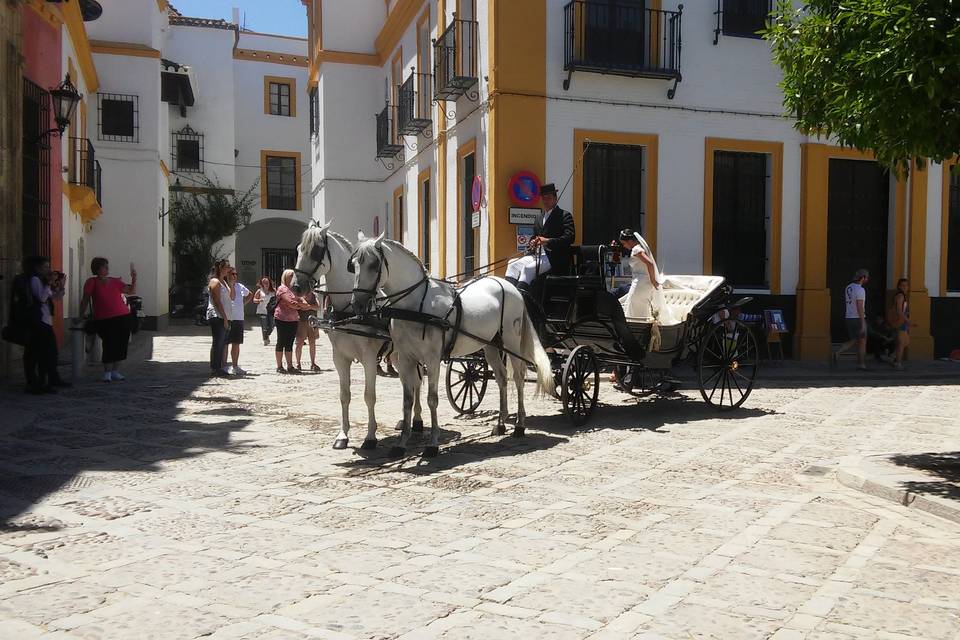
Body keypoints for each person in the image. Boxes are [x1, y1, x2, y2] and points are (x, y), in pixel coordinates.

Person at [505, 183, 575, 286]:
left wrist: (547, 241)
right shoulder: (539, 218)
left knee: (527, 269)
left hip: (553, 257)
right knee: (512, 264)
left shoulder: (564, 215)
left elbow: (570, 238)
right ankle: (509, 295)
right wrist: (532, 242)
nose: (546, 201)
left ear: (555, 199)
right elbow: (534, 237)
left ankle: (523, 297)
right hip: (536, 255)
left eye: (549, 198)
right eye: (544, 198)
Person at [79, 257, 136, 382]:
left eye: (107, 266)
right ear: (97, 268)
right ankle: (107, 372)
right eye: (105, 266)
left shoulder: (115, 281)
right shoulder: (91, 282)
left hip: (123, 316)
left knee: (121, 343)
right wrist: (80, 315)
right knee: (109, 343)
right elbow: (85, 299)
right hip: (104, 318)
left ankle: (115, 371)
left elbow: (131, 291)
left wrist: (134, 278)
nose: (107, 269)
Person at [21, 256, 68, 393]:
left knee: (51, 353)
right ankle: (40, 383)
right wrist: (49, 283)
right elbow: (41, 298)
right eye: (45, 267)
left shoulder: (43, 280)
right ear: (37, 268)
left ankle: (51, 379)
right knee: (42, 353)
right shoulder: (35, 280)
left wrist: (61, 286)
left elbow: (55, 298)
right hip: (38, 322)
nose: (48, 269)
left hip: (46, 321)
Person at [274, 268, 309, 374]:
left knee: (289, 343)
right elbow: (290, 302)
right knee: (281, 341)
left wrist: (299, 304)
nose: (292, 277)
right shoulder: (282, 288)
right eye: (290, 275)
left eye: (293, 276)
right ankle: (279, 366)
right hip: (281, 318)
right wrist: (299, 305)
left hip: (293, 319)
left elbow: (305, 303)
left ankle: (290, 366)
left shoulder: (295, 289)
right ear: (285, 277)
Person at [834, 268, 869, 371]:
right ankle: (861, 364)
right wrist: (863, 323)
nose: (867, 279)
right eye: (866, 277)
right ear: (862, 278)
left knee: (855, 340)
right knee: (862, 342)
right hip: (858, 318)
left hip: (849, 317)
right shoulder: (860, 290)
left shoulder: (848, 287)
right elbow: (860, 307)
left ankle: (838, 352)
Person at [206, 259, 232, 377]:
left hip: (224, 315)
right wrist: (225, 318)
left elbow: (230, 297)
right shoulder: (215, 282)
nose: (229, 269)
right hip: (217, 315)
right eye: (227, 267)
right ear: (220, 268)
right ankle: (215, 367)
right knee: (218, 342)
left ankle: (219, 366)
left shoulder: (224, 282)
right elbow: (217, 301)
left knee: (222, 342)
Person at [225, 267, 253, 375]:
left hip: (239, 318)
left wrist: (243, 304)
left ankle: (235, 366)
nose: (234, 276)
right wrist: (231, 285)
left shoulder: (240, 286)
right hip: (228, 317)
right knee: (225, 343)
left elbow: (250, 294)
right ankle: (224, 366)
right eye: (232, 274)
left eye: (236, 274)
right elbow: (231, 298)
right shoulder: (225, 286)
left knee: (236, 343)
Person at [295, 289, 322, 372]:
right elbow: (299, 306)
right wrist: (310, 307)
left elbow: (318, 307)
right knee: (299, 343)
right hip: (301, 322)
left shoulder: (314, 295)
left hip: (312, 323)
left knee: (312, 343)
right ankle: (298, 363)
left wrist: (308, 307)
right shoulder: (299, 295)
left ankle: (313, 363)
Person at [891, 277, 910, 370]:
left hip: (903, 321)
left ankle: (892, 356)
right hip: (900, 321)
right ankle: (897, 363)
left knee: (906, 341)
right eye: (903, 285)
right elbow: (899, 310)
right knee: (901, 343)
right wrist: (907, 320)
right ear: (899, 286)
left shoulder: (902, 296)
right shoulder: (900, 296)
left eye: (906, 285)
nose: (905, 287)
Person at [252, 276, 276, 345]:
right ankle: (265, 339)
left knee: (272, 325)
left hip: (271, 311)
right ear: (262, 283)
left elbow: (277, 299)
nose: (266, 284)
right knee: (264, 326)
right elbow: (254, 300)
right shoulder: (260, 291)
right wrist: (259, 300)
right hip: (262, 311)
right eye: (264, 282)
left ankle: (267, 335)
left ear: (269, 283)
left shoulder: (274, 291)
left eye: (267, 282)